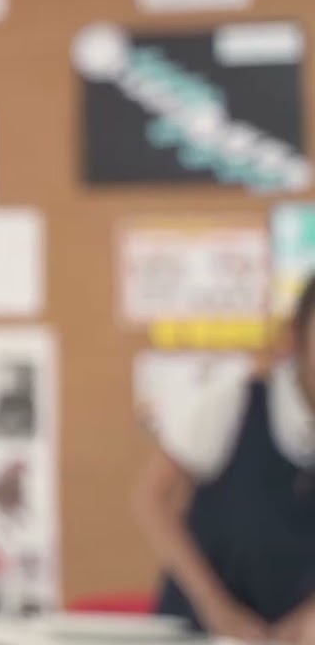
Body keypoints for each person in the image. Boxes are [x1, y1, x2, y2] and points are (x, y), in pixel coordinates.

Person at [134, 273, 315, 644]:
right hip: (206, 630)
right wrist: (217, 608)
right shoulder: (238, 403)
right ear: (296, 337)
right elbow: (150, 498)